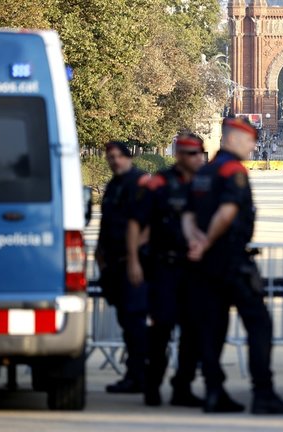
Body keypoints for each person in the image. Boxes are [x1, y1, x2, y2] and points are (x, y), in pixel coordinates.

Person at [182, 117, 283, 415]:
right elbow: (228, 211)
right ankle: (263, 393)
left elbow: (187, 215)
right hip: (231, 260)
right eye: (249, 141)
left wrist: (195, 241)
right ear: (234, 139)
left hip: (205, 264)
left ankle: (213, 392)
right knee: (259, 324)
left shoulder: (204, 172)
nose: (253, 146)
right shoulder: (233, 172)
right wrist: (207, 241)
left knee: (213, 328)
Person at [128, 134, 207, 407]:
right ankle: (152, 386)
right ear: (179, 155)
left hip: (193, 269)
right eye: (192, 154)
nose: (198, 158)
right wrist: (134, 261)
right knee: (160, 330)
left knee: (192, 332)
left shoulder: (203, 184)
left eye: (200, 153)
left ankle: (182, 388)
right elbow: (136, 223)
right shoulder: (159, 183)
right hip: (164, 268)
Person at [95, 140, 150, 394]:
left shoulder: (138, 182)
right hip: (114, 263)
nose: (114, 161)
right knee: (126, 321)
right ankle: (135, 374)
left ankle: (139, 375)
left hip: (133, 264)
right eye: (110, 157)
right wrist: (100, 255)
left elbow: (146, 226)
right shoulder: (114, 184)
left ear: (128, 157)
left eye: (118, 156)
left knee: (135, 320)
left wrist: (134, 259)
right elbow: (107, 223)